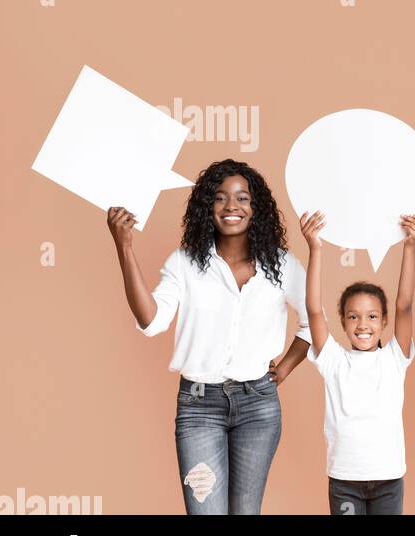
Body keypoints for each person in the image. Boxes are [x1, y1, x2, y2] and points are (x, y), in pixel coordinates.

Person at [106, 158, 312, 514]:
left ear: (256, 208)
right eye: (220, 198)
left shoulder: (282, 265)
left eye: (243, 198)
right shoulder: (184, 263)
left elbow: (313, 322)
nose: (232, 206)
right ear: (207, 207)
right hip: (198, 408)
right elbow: (151, 321)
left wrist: (285, 368)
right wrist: (124, 247)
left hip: (258, 407)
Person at [299, 210, 415, 515]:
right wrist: (315, 248)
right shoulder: (334, 360)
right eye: (353, 316)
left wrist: (410, 247)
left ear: (384, 322)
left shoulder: (395, 358)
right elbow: (314, 310)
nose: (362, 324)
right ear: (342, 321)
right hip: (345, 480)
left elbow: (404, 305)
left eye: (371, 317)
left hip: (388, 479)